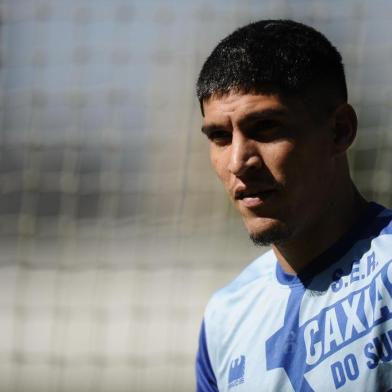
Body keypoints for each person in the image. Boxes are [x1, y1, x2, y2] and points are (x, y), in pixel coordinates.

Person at [195, 19, 392, 392]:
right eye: (220, 136)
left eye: (266, 127)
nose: (238, 160)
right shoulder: (224, 319)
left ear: (339, 131)